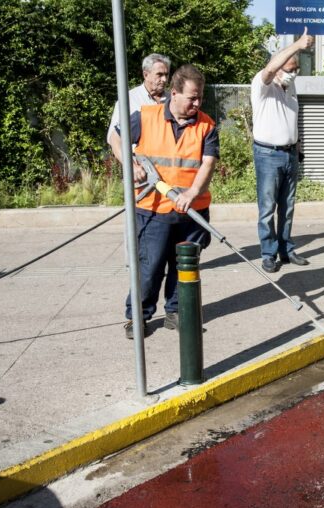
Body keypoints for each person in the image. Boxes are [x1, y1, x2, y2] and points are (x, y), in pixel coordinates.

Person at [109, 64, 219, 339]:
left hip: (192, 212)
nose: (197, 103)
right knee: (150, 267)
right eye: (192, 97)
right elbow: (115, 138)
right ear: (174, 93)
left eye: (200, 97)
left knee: (183, 269)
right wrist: (129, 163)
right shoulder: (145, 117)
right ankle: (137, 316)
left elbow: (208, 164)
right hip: (152, 210)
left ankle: (176, 312)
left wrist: (191, 194)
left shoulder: (207, 125)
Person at [251, 27, 314, 273]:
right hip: (268, 154)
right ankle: (268, 253)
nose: (293, 74)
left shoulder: (292, 89)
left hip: (289, 154)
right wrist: (297, 45)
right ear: (277, 67)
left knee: (287, 207)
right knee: (267, 207)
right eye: (289, 70)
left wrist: (297, 147)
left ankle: (286, 249)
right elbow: (268, 70)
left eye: (296, 69)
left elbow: (292, 121)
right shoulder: (263, 85)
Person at [107, 53, 171, 145]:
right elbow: (112, 137)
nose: (164, 79)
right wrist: (130, 159)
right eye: (159, 75)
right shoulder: (128, 100)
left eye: (166, 74)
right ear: (146, 75)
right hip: (136, 157)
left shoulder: (173, 100)